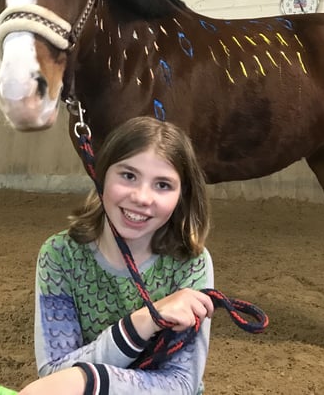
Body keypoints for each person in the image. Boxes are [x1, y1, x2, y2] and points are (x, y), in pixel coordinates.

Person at [19, 116, 215, 395]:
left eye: (163, 185)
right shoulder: (60, 255)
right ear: (101, 176)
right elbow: (53, 373)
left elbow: (182, 384)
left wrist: (91, 380)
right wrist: (144, 322)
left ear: (182, 195)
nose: (142, 197)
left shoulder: (191, 262)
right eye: (128, 175)